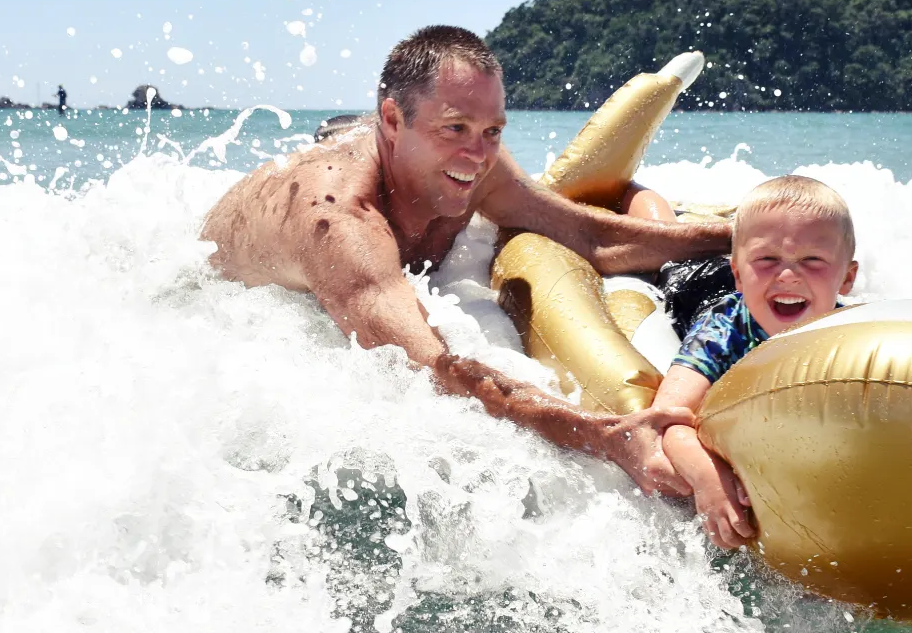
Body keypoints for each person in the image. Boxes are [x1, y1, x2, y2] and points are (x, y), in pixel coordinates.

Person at [201, 26, 732, 495]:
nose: (478, 155)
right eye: (454, 128)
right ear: (392, 118)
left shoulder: (478, 162)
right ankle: (341, 133)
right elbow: (434, 369)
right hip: (238, 282)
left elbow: (592, 237)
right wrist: (602, 435)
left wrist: (742, 239)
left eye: (492, 130)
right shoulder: (337, 222)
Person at [650, 175, 859, 549]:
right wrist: (707, 480)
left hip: (744, 276)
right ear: (739, 274)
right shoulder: (721, 333)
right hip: (694, 285)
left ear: (847, 278)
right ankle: (653, 203)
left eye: (813, 260)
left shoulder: (854, 335)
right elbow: (667, 419)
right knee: (663, 244)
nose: (789, 275)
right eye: (769, 259)